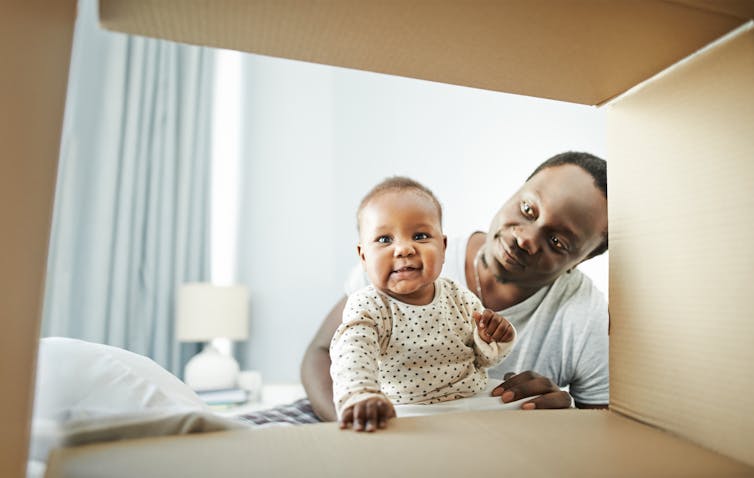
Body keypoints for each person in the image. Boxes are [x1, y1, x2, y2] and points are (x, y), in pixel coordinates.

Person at [301, 151, 609, 424]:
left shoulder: (584, 315)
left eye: (557, 242)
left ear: (579, 261)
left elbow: (605, 427)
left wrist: (565, 422)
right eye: (528, 209)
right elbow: (323, 351)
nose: (526, 238)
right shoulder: (391, 275)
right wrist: (355, 420)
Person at [331, 177, 516, 432]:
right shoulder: (369, 305)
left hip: (471, 398)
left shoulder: (458, 296)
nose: (404, 249)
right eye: (385, 240)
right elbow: (352, 353)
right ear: (363, 256)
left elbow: (483, 361)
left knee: (531, 410)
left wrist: (491, 338)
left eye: (420, 236)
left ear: (443, 247)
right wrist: (361, 395)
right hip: (406, 406)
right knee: (378, 429)